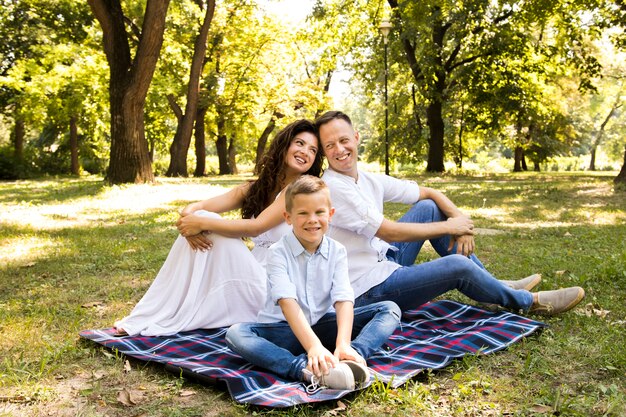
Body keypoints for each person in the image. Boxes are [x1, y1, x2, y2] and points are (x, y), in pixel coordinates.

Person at [314, 110, 585, 316]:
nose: (339, 149)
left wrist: (458, 220)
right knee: (458, 267)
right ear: (324, 152)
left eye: (344, 140)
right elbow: (389, 231)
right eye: (330, 145)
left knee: (429, 209)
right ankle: (528, 302)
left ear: (357, 137)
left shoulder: (367, 178)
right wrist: (449, 228)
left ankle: (491, 287)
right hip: (364, 290)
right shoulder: (334, 187)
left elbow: (431, 193)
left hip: (383, 261)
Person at [113, 119, 323, 336]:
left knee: (208, 223)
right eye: (299, 143)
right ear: (285, 144)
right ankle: (155, 312)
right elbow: (201, 206)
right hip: (253, 271)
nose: (305, 152)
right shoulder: (258, 187)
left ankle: (159, 314)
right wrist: (190, 219)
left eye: (313, 150)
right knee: (204, 218)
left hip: (275, 288)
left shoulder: (298, 190)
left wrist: (201, 223)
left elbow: (256, 227)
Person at [225, 176, 401, 391]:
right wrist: (314, 347)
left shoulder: (337, 251)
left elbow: (343, 298)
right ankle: (304, 370)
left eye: (319, 212)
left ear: (331, 214)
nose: (312, 219)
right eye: (303, 213)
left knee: (389, 309)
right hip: (283, 331)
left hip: (322, 325)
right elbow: (287, 302)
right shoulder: (277, 253)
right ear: (288, 217)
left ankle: (349, 358)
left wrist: (343, 342)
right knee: (236, 333)